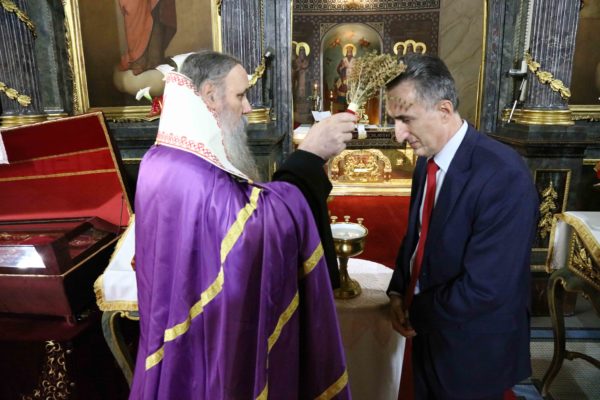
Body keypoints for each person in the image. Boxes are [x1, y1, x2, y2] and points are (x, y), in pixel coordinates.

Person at [130, 50, 357, 399]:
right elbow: (254, 230)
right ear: (210, 96)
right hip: (207, 344)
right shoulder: (193, 174)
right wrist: (310, 156)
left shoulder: (162, 157)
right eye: (240, 95)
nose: (248, 108)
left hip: (182, 330)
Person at [386, 53, 539, 399]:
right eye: (395, 120)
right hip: (429, 331)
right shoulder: (426, 161)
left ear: (444, 110)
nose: (398, 135)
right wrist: (398, 290)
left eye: (406, 119)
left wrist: (414, 309)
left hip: (473, 347)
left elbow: (487, 288)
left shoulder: (503, 175)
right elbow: (416, 237)